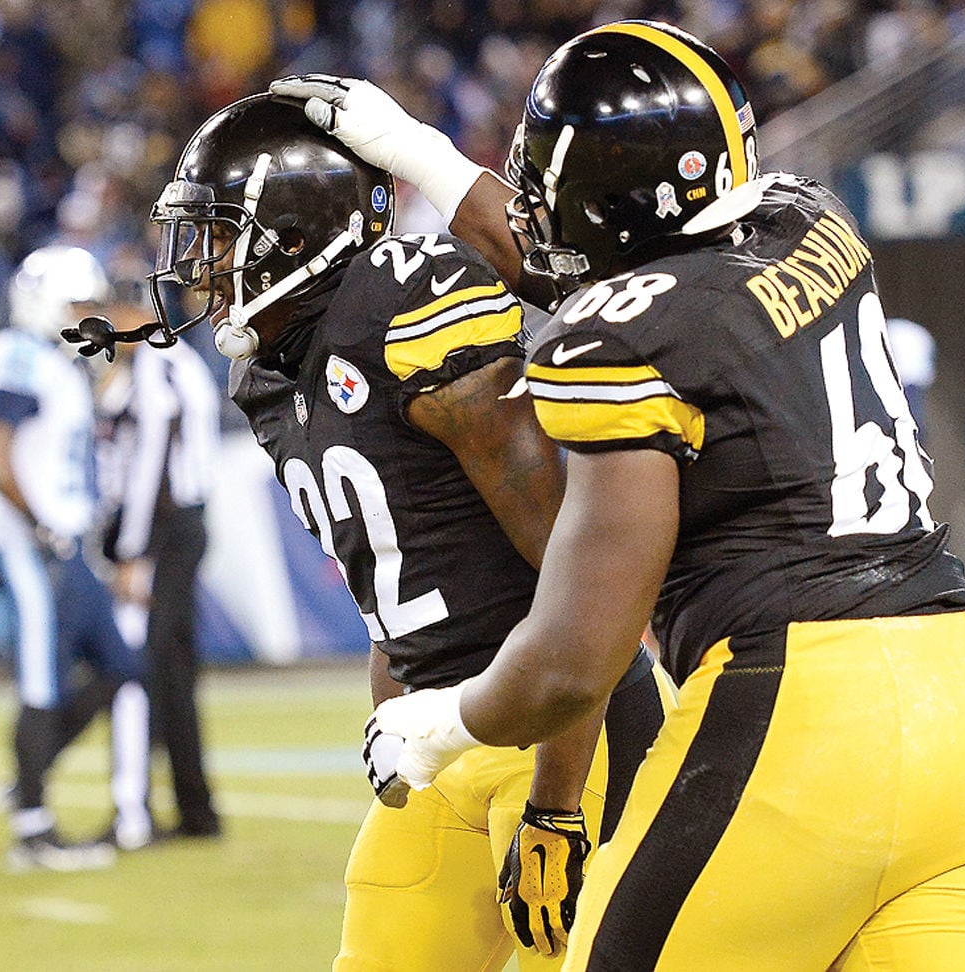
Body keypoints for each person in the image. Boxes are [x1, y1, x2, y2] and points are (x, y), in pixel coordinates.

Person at [274, 20, 965, 970]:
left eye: (550, 184)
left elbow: (576, 656)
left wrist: (443, 725)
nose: (531, 209)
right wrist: (421, 154)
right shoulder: (807, 222)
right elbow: (618, 273)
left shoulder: (613, 343)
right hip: (952, 689)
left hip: (802, 711)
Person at [64, 92, 675, 969]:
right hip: (445, 730)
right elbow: (390, 585)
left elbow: (580, 584)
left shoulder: (406, 307)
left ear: (298, 233)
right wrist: (393, 726)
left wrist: (557, 802)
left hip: (564, 725)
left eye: (224, 236)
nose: (203, 266)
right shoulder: (269, 377)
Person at [0, 244, 150, 870]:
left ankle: (28, 776)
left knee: (120, 667)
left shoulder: (57, 362)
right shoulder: (18, 353)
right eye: (77, 302)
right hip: (27, 545)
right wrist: (43, 527)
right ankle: (33, 831)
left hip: (64, 546)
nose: (87, 314)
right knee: (42, 683)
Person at [95, 265, 223, 841]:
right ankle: (193, 810)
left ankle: (145, 811)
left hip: (168, 529)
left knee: (142, 668)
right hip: (184, 524)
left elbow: (152, 468)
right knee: (170, 673)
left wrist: (132, 550)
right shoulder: (175, 361)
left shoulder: (155, 364)